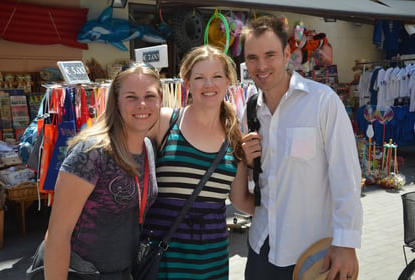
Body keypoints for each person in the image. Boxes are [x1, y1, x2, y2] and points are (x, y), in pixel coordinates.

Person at [240, 16, 363, 279]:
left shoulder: (322, 102)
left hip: (312, 254)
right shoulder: (249, 110)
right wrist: (250, 164)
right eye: (252, 58)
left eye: (270, 55)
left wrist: (346, 243)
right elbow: (261, 181)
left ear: (287, 54)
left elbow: (347, 177)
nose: (261, 66)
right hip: (260, 245)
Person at [141, 44, 254, 279]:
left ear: (227, 82)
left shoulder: (234, 139)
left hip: (211, 261)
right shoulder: (164, 122)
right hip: (163, 260)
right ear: (187, 83)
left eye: (216, 77)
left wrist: (285, 210)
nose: (209, 84)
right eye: (200, 77)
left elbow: (240, 200)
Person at [42, 63, 162, 280]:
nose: (142, 104)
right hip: (82, 274)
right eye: (131, 97)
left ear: (160, 100)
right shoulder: (92, 152)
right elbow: (58, 234)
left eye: (150, 96)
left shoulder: (148, 148)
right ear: (116, 102)